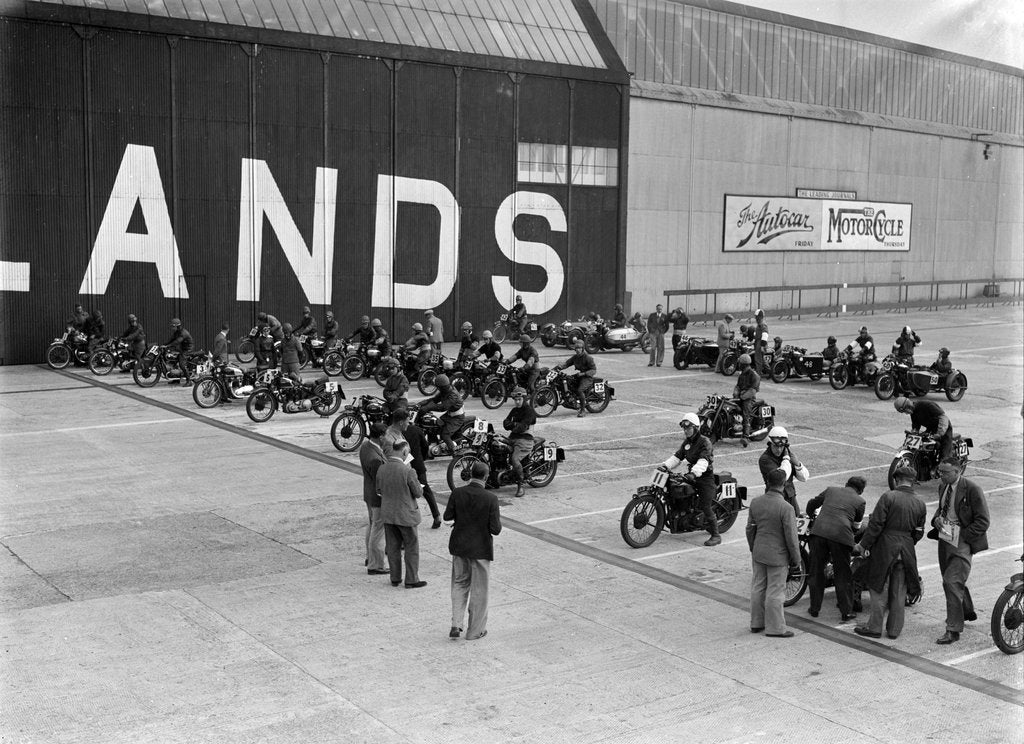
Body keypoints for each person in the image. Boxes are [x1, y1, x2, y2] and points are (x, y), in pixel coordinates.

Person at [853, 466, 926, 639]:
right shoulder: (920, 503)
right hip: (906, 550)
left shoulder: (888, 497)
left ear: (896, 480)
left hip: (885, 547)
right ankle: (894, 630)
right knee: (899, 592)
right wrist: (907, 542)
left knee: (878, 588)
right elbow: (919, 532)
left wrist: (863, 546)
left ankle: (874, 627)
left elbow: (875, 525)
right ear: (912, 482)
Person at [929, 458, 990, 645]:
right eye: (940, 471)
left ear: (958, 471)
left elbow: (983, 521)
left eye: (945, 472)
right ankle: (966, 610)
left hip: (962, 541)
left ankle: (953, 629)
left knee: (951, 581)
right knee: (952, 580)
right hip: (945, 539)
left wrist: (963, 535)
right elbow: (941, 509)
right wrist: (937, 519)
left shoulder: (972, 489)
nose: (941, 475)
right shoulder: (943, 486)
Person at [445, 460, 502, 641]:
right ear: (486, 476)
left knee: (459, 584)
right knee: (479, 591)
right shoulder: (491, 498)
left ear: (470, 475)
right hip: (480, 549)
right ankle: (474, 631)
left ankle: (456, 623)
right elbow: (496, 529)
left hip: (459, 546)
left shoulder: (457, 493)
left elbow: (447, 516)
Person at [746, 468, 801, 637]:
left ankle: (756, 623)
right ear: (783, 485)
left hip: (759, 551)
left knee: (758, 587)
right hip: (778, 555)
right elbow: (791, 538)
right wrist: (796, 559)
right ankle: (775, 628)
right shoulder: (786, 508)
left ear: (768, 483)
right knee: (775, 592)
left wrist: (753, 547)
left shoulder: (756, 502)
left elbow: (750, 529)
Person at [805, 476, 867, 621]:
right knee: (843, 575)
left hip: (819, 532)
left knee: (816, 571)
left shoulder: (830, 490)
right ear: (861, 491)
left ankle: (814, 609)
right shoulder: (860, 501)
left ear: (846, 484)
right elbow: (857, 527)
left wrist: (811, 516)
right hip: (841, 537)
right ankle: (846, 612)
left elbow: (811, 504)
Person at [660, 412, 720, 546]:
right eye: (684, 428)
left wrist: (694, 473)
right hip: (692, 475)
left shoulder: (705, 442)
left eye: (688, 428)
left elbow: (704, 460)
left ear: (696, 428)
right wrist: (664, 466)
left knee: (706, 505)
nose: (685, 430)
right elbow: (677, 457)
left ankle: (716, 535)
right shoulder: (687, 443)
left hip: (705, 478)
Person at [377, 440, 426, 588]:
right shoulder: (408, 471)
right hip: (406, 515)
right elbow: (418, 493)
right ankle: (411, 579)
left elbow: (378, 491)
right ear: (404, 452)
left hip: (388, 513)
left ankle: (395, 577)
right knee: (411, 547)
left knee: (393, 548)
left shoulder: (382, 469)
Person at [384, 409, 441, 528]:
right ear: (401, 422)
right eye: (407, 421)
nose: (408, 424)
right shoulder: (390, 438)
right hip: (408, 470)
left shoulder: (400, 432)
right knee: (424, 489)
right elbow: (393, 460)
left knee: (421, 490)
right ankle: (435, 516)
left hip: (413, 467)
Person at [358, 422, 389, 576]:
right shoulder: (375, 459)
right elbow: (380, 482)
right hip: (377, 498)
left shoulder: (366, 446)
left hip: (368, 493)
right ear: (381, 436)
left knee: (372, 526)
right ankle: (376, 564)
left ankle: (370, 558)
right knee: (378, 529)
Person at [758, 426, 809, 514]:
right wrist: (786, 459)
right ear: (770, 444)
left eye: (781, 447)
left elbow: (804, 478)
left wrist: (798, 464)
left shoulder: (788, 455)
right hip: (775, 499)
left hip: (791, 498)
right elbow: (781, 477)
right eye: (776, 446)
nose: (779, 450)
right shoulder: (765, 459)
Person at [894, 396, 953, 461]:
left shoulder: (927, 405)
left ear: (908, 406)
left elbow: (943, 417)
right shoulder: (913, 413)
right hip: (931, 429)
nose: (906, 413)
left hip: (944, 428)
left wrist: (940, 433)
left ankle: (945, 465)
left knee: (945, 454)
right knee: (923, 448)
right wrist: (913, 434)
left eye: (905, 410)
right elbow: (915, 427)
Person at [417, 373, 465, 454]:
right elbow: (434, 399)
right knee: (433, 426)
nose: (438, 389)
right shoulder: (445, 391)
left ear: (442, 387)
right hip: (449, 415)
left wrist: (428, 408)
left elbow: (443, 407)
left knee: (445, 435)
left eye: (438, 387)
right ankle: (433, 447)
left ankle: (457, 454)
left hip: (457, 418)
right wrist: (420, 404)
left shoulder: (453, 394)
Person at [503, 387, 537, 498]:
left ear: (524, 398)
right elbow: (505, 423)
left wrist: (512, 425)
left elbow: (521, 428)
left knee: (514, 459)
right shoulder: (514, 410)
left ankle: (520, 485)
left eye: (519, 399)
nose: (517, 402)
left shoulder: (529, 411)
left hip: (525, 440)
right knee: (497, 448)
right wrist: (513, 425)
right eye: (515, 400)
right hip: (513, 437)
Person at [558, 337, 596, 418]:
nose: (578, 350)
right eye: (576, 348)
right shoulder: (575, 357)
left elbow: (593, 370)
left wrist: (584, 374)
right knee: (568, 381)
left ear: (583, 348)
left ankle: (582, 410)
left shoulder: (588, 358)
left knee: (580, 390)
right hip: (580, 375)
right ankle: (570, 400)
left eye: (579, 348)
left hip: (587, 377)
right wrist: (558, 368)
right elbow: (567, 363)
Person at [733, 354, 760, 446]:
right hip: (740, 396)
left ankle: (745, 436)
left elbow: (753, 390)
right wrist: (736, 393)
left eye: (740, 363)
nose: (738, 365)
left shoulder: (754, 375)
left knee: (746, 414)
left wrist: (742, 397)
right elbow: (737, 386)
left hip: (749, 398)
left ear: (743, 364)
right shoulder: (742, 375)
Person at [753, 309, 770, 374]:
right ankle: (770, 372)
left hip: (760, 344)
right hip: (758, 342)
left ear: (759, 317)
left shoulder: (762, 324)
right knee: (761, 359)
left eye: (756, 317)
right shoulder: (759, 324)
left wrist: (762, 346)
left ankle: (758, 373)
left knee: (758, 359)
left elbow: (765, 335)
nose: (756, 318)